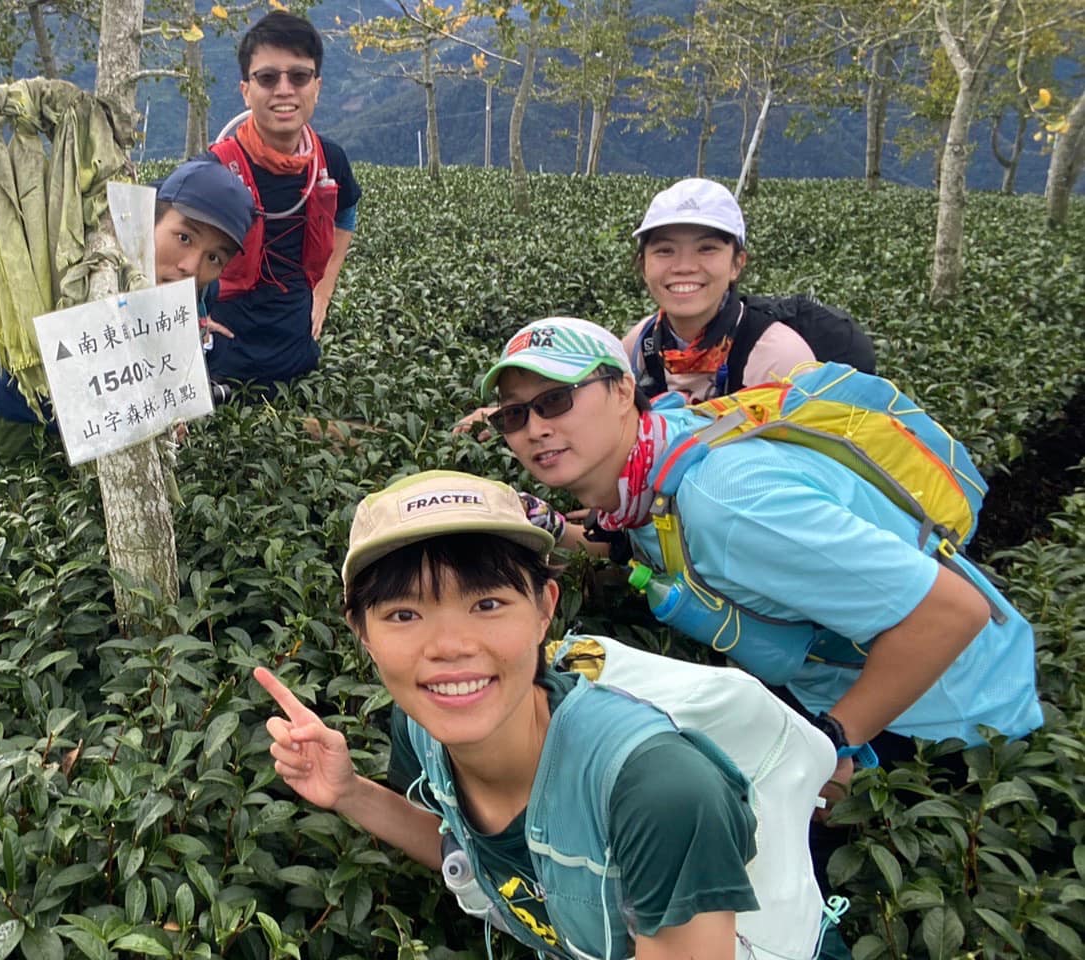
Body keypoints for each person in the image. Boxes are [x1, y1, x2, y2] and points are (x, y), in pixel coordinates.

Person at [254, 470, 841, 959]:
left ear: (544, 611)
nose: (449, 647)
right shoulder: (421, 730)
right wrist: (350, 792)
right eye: (404, 615)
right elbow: (470, 852)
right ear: (362, 634)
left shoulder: (659, 792)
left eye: (487, 604)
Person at [475, 316, 1043, 787]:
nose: (535, 429)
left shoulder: (728, 505)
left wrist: (832, 745)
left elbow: (951, 612)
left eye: (555, 400)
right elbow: (639, 550)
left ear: (623, 390)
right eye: (513, 415)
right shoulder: (653, 461)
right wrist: (544, 527)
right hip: (848, 685)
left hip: (948, 722)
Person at [453, 178, 871, 435]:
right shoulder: (642, 342)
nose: (684, 266)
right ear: (643, 265)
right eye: (665, 251)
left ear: (737, 264)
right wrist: (509, 413)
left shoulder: (776, 354)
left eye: (707, 249)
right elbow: (592, 401)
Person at [0, 158, 253, 461]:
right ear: (148, 217)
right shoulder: (83, 255)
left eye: (214, 258)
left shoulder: (199, 292)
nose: (191, 266)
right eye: (183, 237)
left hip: (112, 439)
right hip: (27, 427)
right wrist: (38, 237)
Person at [202, 10, 362, 389]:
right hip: (223, 365)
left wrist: (323, 291)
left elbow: (346, 211)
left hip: (298, 356)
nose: (284, 89)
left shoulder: (330, 160)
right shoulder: (213, 170)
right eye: (268, 77)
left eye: (299, 76)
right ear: (246, 90)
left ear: (317, 86)